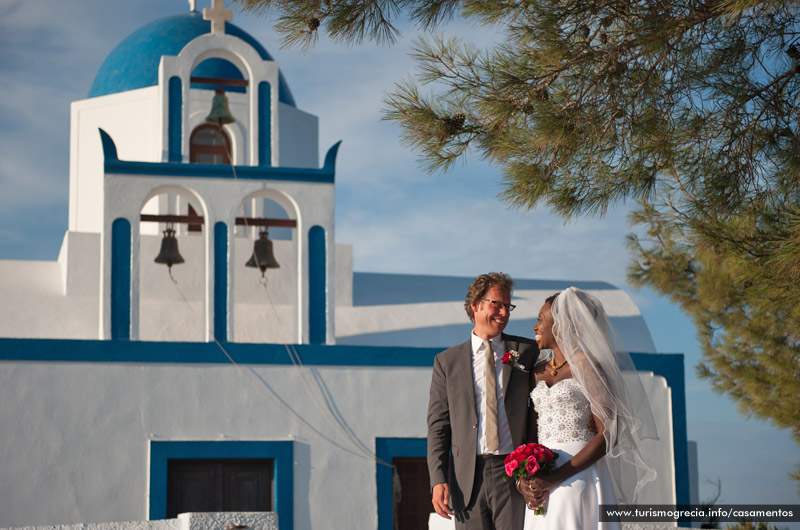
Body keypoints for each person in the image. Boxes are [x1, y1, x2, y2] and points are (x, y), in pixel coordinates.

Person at [518, 287, 658, 530]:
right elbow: (531, 434)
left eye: (541, 319)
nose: (535, 327)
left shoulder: (587, 366)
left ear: (560, 324)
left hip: (577, 473)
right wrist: (525, 480)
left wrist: (555, 478)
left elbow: (608, 432)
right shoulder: (537, 371)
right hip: (541, 478)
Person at [427, 272, 542, 530]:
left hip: (513, 473)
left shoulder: (525, 351)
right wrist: (437, 479)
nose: (503, 312)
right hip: (466, 477)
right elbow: (438, 427)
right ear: (475, 306)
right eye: (496, 304)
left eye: (507, 306)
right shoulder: (447, 363)